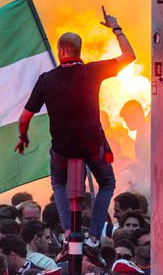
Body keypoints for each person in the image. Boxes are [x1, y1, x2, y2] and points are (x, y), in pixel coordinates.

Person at [16, 14, 135, 244]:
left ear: (61, 50)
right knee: (107, 183)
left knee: (58, 184)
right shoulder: (92, 71)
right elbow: (129, 56)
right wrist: (116, 28)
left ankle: (69, 233)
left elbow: (25, 117)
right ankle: (93, 236)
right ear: (79, 50)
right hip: (92, 147)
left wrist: (23, 137)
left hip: (62, 150)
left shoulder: (46, 79)